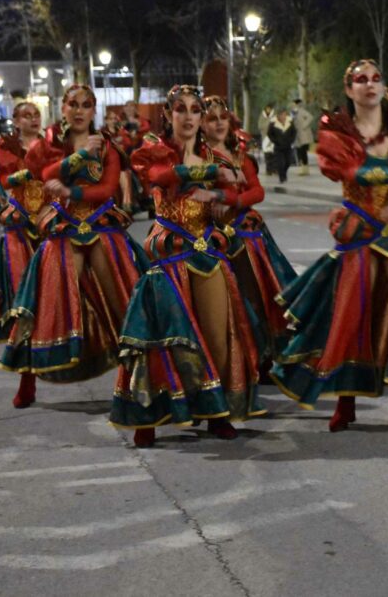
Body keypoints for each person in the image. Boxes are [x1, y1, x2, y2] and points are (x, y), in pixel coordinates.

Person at [271, 59, 388, 433]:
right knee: (353, 313)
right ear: (349, 89)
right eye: (360, 80)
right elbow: (348, 171)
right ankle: (346, 402)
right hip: (360, 230)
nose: (369, 85)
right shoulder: (336, 132)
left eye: (375, 79)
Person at [111, 86, 264, 447]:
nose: (190, 116)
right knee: (161, 338)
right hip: (168, 252)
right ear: (168, 115)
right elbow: (160, 178)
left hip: (206, 250)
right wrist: (211, 174)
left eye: (196, 109)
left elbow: (242, 194)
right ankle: (149, 417)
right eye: (181, 109)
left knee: (217, 336)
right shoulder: (154, 151)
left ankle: (217, 412)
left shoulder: (216, 155)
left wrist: (223, 199)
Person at [0, 85, 147, 407]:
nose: (79, 110)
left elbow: (107, 188)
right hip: (63, 228)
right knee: (46, 303)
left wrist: (72, 191)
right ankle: (28, 381)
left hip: (101, 226)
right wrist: (79, 158)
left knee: (125, 302)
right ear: (63, 108)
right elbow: (43, 173)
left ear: (93, 110)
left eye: (86, 105)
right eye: (73, 104)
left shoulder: (106, 145)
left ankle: (135, 382)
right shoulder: (49, 143)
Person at [204, 95, 297, 381]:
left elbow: (257, 192)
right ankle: (236, 363)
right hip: (211, 238)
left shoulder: (238, 153)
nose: (219, 123)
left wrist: (231, 198)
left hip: (247, 235)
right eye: (211, 118)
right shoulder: (198, 155)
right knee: (231, 303)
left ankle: (265, 359)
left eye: (223, 117)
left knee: (260, 299)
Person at [0, 102, 50, 407]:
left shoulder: (53, 145)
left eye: (36, 115)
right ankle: (27, 380)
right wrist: (34, 170)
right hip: (20, 232)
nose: (33, 119)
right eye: (26, 116)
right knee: (26, 307)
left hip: (51, 227)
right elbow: (7, 180)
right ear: (15, 121)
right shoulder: (4, 149)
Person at [267, 108, 296, 183]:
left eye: (285, 114)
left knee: (288, 162)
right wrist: (275, 141)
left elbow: (294, 132)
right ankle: (282, 177)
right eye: (282, 115)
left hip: (288, 146)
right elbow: (269, 134)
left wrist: (291, 140)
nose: (284, 116)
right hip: (278, 147)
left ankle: (283, 173)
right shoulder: (273, 123)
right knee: (280, 163)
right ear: (278, 115)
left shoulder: (290, 122)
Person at [291, 99, 315, 175]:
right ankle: (303, 169)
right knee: (299, 152)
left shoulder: (301, 111)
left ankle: (305, 169)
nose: (292, 105)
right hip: (297, 135)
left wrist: (304, 126)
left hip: (304, 135)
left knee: (303, 152)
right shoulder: (293, 113)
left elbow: (310, 117)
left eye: (294, 104)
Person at [259, 103, 275, 176]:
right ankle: (268, 170)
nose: (268, 110)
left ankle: (275, 169)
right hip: (265, 137)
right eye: (267, 109)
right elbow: (260, 126)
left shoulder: (274, 116)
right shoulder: (262, 117)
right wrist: (268, 123)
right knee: (267, 154)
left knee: (274, 154)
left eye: (269, 109)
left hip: (273, 137)